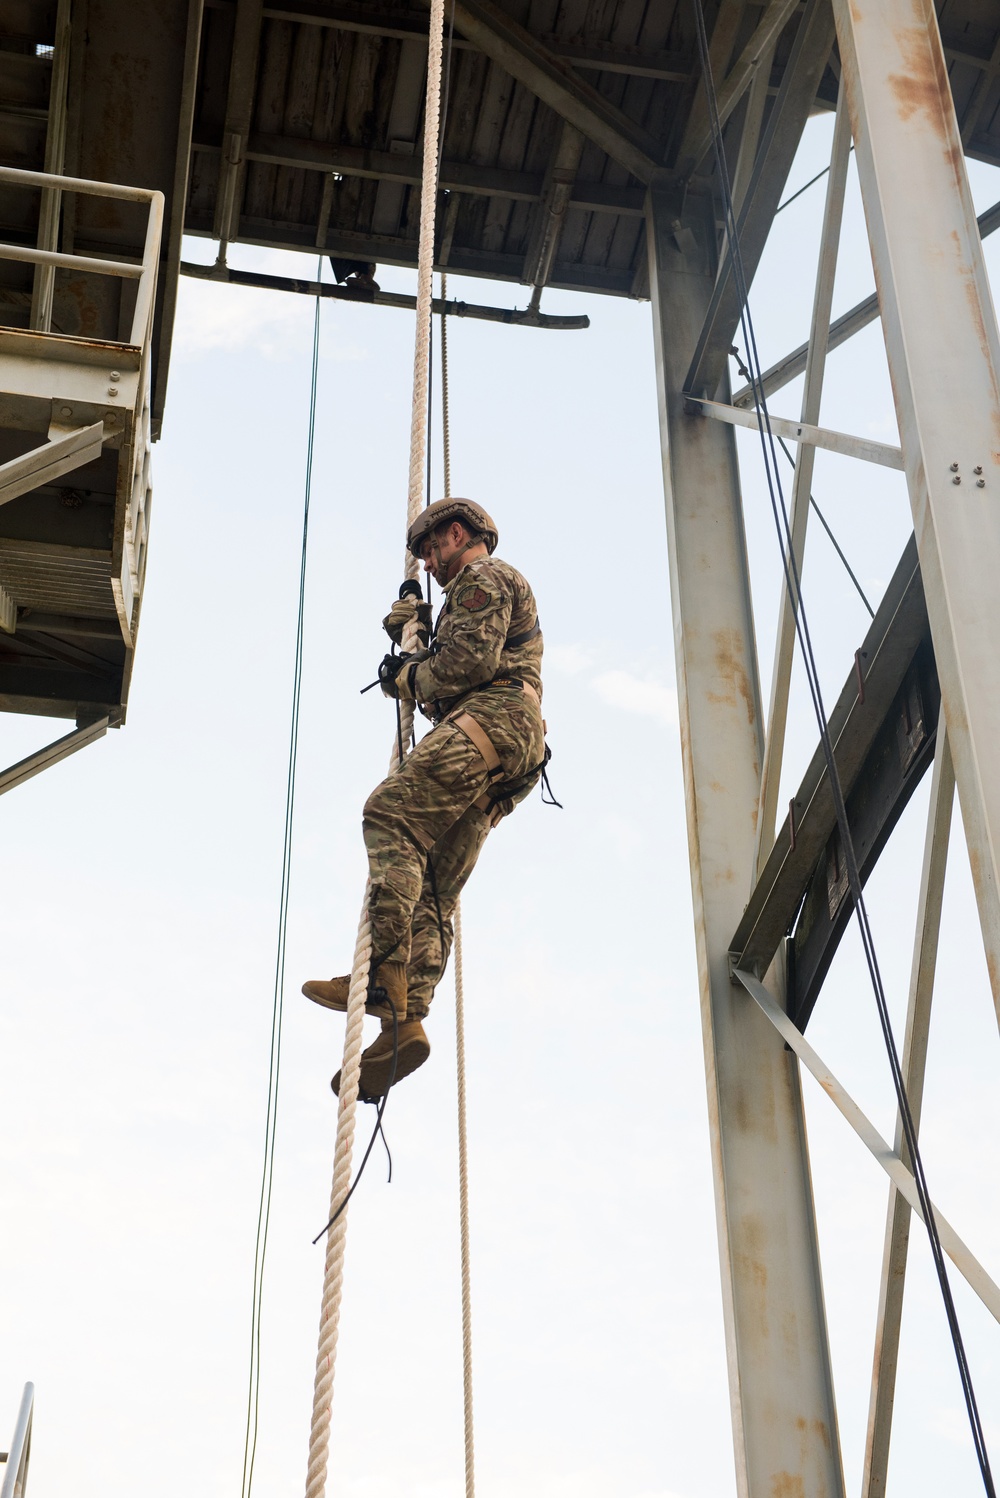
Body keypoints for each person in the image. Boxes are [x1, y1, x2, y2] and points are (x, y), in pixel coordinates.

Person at [302, 498, 546, 1101]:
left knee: (389, 816)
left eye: (433, 550)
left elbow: (462, 667)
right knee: (435, 883)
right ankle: (405, 1022)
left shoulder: (484, 578)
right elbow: (447, 685)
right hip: (506, 740)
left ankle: (385, 975)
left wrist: (404, 675)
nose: (431, 564)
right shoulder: (478, 591)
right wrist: (414, 646)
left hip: (494, 719)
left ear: (457, 534)